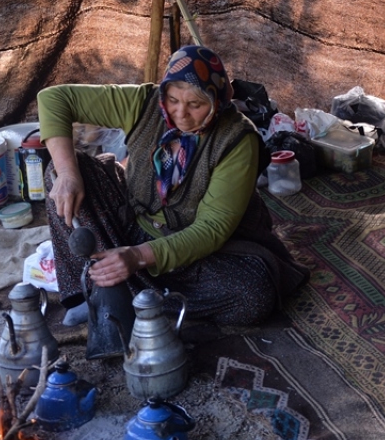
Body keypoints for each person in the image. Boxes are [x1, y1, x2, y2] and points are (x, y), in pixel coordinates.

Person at [39, 45, 307, 326]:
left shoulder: (237, 140)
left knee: (253, 294)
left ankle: (121, 296)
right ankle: (99, 292)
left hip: (199, 250)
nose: (181, 113)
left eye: (195, 104)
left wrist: (137, 256)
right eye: (173, 99)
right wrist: (69, 174)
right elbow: (55, 98)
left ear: (218, 100)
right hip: (135, 223)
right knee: (58, 174)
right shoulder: (145, 102)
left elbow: (211, 230)